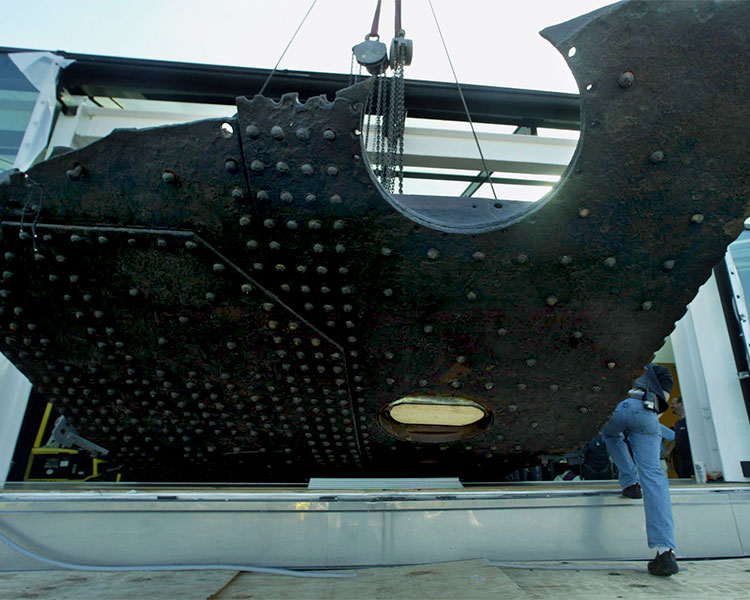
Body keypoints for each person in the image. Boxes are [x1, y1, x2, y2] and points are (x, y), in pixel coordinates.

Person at [601, 364, 678, 576]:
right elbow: (663, 390)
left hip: (615, 407)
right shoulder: (654, 369)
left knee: (610, 436)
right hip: (644, 407)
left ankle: (629, 482)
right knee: (653, 476)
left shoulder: (611, 360)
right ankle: (665, 552)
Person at [671, 397, 694, 478]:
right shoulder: (678, 422)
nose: (671, 406)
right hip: (680, 459)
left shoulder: (690, 421)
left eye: (673, 403)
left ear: (680, 404)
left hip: (691, 458)